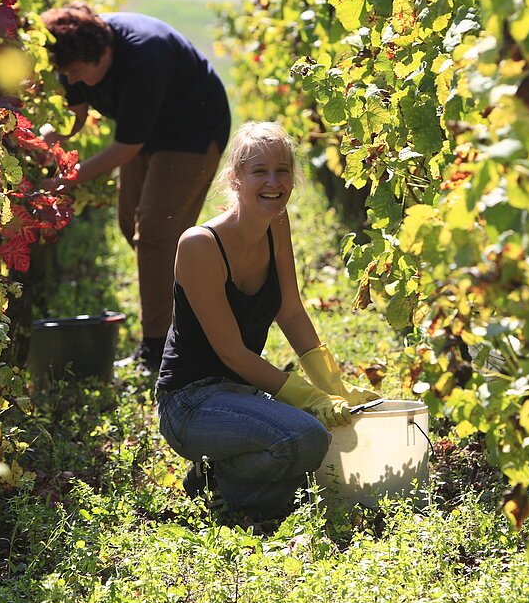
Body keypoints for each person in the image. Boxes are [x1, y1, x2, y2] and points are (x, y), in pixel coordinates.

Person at [155, 121, 381, 525]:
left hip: (242, 394)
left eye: (282, 170)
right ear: (235, 178)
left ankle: (227, 479)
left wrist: (332, 386)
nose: (273, 182)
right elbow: (232, 352)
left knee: (318, 430)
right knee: (307, 435)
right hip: (191, 402)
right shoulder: (199, 245)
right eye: (259, 170)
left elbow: (290, 310)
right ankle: (224, 492)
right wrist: (308, 397)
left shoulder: (277, 224)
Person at [40, 4, 231, 371]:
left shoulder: (144, 57)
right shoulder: (72, 55)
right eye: (66, 74)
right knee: (132, 226)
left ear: (105, 53)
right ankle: (193, 309)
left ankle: (159, 348)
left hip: (192, 130)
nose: (72, 80)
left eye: (78, 73)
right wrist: (45, 139)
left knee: (157, 236)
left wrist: (64, 180)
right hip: (148, 133)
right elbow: (74, 116)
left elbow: (125, 147)